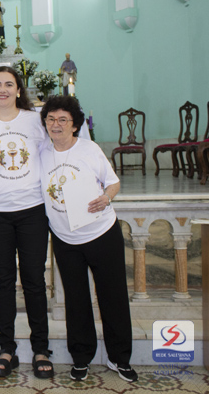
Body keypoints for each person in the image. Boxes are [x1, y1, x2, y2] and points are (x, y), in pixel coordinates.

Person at [39, 96, 137, 383]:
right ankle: (81, 358)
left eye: (63, 120)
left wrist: (106, 197)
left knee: (113, 296)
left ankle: (120, 358)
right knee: (76, 299)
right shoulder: (41, 152)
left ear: (75, 125)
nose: (56, 125)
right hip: (65, 239)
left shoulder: (89, 149)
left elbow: (113, 182)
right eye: (51, 119)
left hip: (101, 233)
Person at [0, 66, 54, 379]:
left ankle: (41, 348)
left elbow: (53, 157)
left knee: (34, 280)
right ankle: (7, 348)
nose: (2, 89)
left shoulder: (35, 120)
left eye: (9, 84)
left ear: (18, 90)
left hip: (32, 211)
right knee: (3, 281)